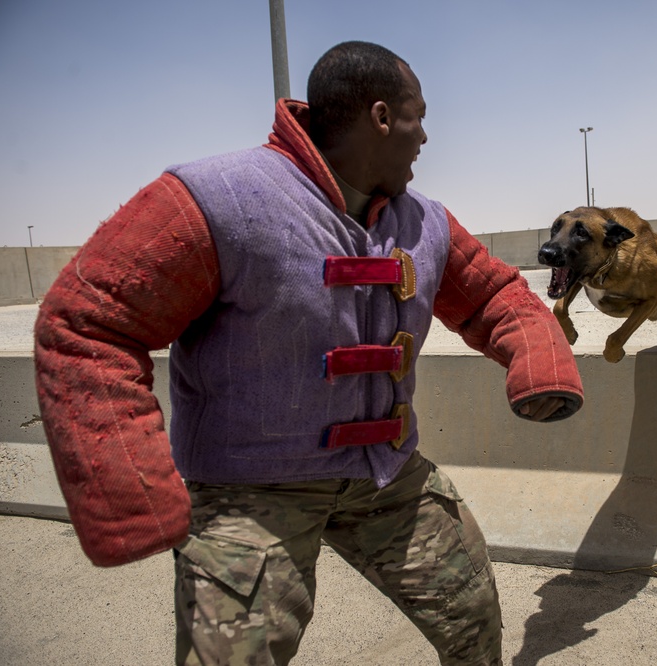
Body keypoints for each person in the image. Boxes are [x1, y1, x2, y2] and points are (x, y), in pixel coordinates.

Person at [33, 41, 584, 665]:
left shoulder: (426, 222)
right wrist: (130, 490)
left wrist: (540, 364)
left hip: (387, 478)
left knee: (474, 623)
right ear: (381, 117)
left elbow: (496, 295)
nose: (426, 136)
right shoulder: (216, 200)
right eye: (418, 116)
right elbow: (86, 321)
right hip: (252, 492)